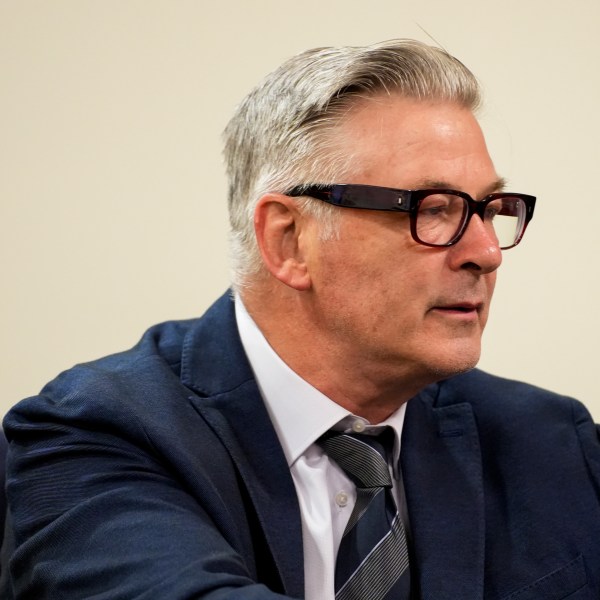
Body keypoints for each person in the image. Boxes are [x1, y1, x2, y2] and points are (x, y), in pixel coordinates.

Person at [1, 39, 599, 600]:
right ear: (289, 241)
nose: (486, 253)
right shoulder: (95, 434)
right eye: (435, 210)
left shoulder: (550, 442)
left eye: (491, 210)